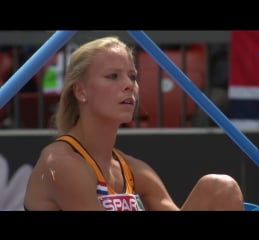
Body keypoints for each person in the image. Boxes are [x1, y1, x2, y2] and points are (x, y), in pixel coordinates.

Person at [23, 36, 244, 211]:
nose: (129, 85)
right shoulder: (59, 163)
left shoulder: (134, 170)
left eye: (133, 76)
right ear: (81, 91)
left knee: (219, 188)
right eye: (113, 76)